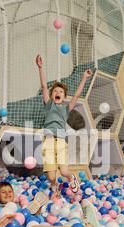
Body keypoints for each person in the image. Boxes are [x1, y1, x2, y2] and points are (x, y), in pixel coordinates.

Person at [36, 54, 92, 201]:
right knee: (51, 176)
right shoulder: (49, 105)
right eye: (55, 91)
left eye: (60, 92)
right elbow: (43, 86)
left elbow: (77, 95)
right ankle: (55, 187)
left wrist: (84, 78)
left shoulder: (66, 109)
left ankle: (72, 177)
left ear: (64, 97)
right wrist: (41, 68)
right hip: (48, 141)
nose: (57, 93)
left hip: (60, 140)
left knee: (65, 170)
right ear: (52, 95)